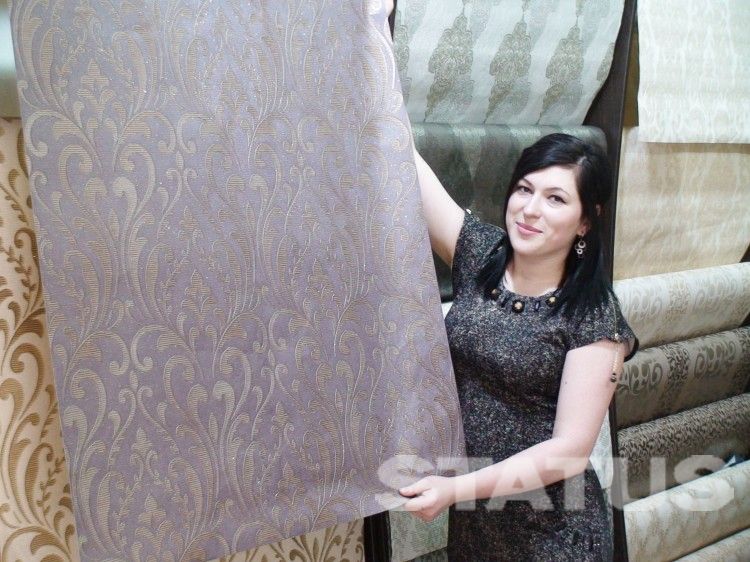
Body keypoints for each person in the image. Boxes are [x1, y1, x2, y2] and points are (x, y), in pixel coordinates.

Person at [398, 133, 638, 561]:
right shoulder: (480, 255)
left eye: (555, 199)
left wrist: (455, 489)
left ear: (586, 221)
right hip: (478, 528)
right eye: (525, 189)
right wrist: (374, 96)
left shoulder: (593, 314)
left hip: (554, 536)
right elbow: (408, 165)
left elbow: (569, 452)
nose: (530, 209)